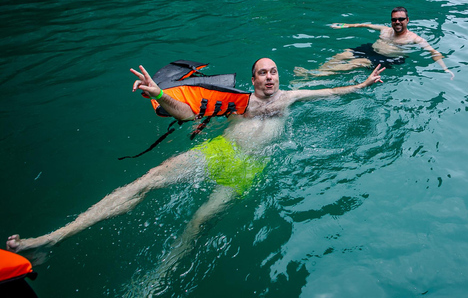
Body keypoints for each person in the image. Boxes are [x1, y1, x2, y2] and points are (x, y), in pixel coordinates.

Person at [6, 58, 384, 255]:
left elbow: (334, 92)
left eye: (273, 72)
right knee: (146, 181)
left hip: (249, 167)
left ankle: (167, 269)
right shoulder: (238, 102)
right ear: (252, 80)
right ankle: (53, 238)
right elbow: (188, 112)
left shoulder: (291, 97)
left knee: (200, 220)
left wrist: (363, 84)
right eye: (261, 73)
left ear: (278, 76)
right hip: (218, 152)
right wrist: (159, 95)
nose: (269, 78)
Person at [295, 7, 454, 79]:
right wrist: (342, 25)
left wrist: (445, 69)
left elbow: (434, 52)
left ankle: (312, 75)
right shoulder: (384, 30)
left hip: (388, 58)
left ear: (407, 20)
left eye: (401, 19)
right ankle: (317, 69)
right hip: (371, 49)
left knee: (357, 63)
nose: (397, 22)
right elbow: (363, 24)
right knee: (342, 54)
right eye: (394, 19)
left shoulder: (415, 39)